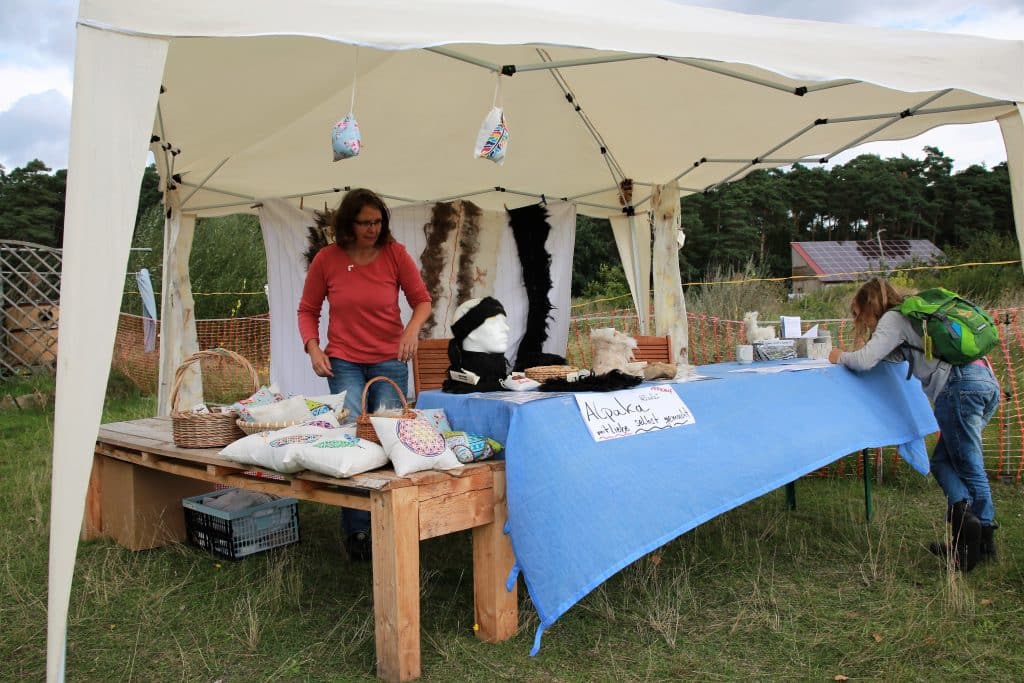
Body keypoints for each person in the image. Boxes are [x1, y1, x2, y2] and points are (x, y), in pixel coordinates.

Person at [828, 277, 1000, 571]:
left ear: (871, 306)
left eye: (859, 313)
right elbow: (896, 356)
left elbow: (865, 360)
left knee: (969, 465)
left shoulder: (893, 318)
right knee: (944, 463)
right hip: (984, 382)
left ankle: (980, 538)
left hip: (959, 388)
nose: (861, 321)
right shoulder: (914, 315)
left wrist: (838, 356)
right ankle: (969, 532)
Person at [297, 187, 432, 560]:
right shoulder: (327, 259)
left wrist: (411, 331)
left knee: (388, 438)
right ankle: (358, 531)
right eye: (364, 222)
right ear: (348, 224)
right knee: (352, 440)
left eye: (377, 221)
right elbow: (307, 310)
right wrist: (312, 347)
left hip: (389, 359)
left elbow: (422, 300)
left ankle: (391, 521)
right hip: (343, 361)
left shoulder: (395, 254)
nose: (372, 229)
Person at [442, 296, 511, 393]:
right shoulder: (460, 389)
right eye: (495, 322)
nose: (507, 328)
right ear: (470, 332)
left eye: (504, 322)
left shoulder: (506, 380)